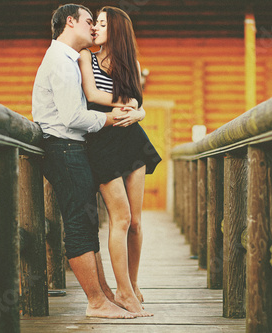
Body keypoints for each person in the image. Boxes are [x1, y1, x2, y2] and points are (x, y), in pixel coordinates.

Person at [32, 4, 138, 319]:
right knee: (79, 223)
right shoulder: (61, 63)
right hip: (63, 147)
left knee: (86, 222)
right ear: (70, 22)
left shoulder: (66, 59)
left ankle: (104, 295)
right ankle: (96, 302)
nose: (93, 28)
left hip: (69, 148)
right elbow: (73, 117)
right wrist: (111, 118)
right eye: (89, 21)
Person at [78, 6, 161, 317]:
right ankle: (124, 293)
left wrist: (138, 110)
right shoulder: (87, 55)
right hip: (102, 142)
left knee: (136, 223)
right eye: (95, 23)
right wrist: (128, 105)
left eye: (101, 23)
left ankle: (133, 286)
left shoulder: (132, 63)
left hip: (131, 141)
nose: (95, 27)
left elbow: (138, 100)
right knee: (121, 219)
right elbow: (92, 93)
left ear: (116, 28)